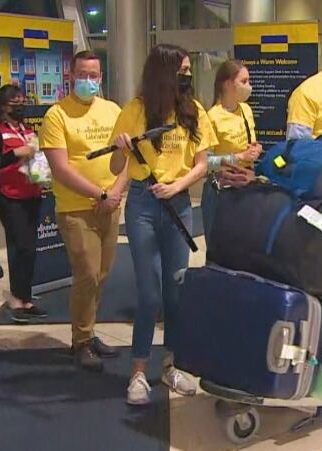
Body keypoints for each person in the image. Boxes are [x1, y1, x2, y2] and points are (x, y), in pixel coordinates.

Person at [109, 44, 215, 405]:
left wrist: (178, 185)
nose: (187, 75)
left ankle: (172, 365)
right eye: (182, 69)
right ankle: (138, 371)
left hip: (179, 203)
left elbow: (202, 163)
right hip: (140, 203)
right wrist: (122, 150)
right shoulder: (134, 110)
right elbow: (114, 169)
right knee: (149, 293)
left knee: (175, 291)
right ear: (163, 72)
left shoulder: (194, 111)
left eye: (188, 69)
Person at [40, 50, 126, 371]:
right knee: (86, 273)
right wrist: (100, 193)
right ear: (71, 76)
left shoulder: (112, 109)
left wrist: (115, 192)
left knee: (102, 274)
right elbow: (60, 168)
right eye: (83, 75)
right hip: (77, 207)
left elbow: (127, 156)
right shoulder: (57, 115)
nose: (89, 81)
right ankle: (80, 340)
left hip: (111, 204)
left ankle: (89, 331)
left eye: (94, 75)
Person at [0, 84, 47, 323]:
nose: (20, 105)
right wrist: (16, 153)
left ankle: (26, 297)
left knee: (30, 247)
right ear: (4, 105)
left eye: (23, 100)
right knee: (19, 246)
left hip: (31, 192)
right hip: (8, 195)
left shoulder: (25, 128)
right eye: (15, 101)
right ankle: (16, 298)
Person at [202, 59, 261, 242]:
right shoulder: (212, 117)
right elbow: (206, 164)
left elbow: (250, 141)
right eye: (243, 82)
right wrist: (238, 157)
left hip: (246, 183)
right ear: (228, 84)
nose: (248, 86)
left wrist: (255, 149)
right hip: (222, 189)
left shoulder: (246, 110)